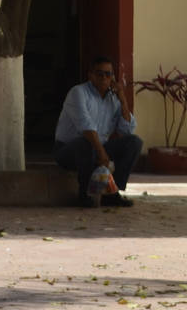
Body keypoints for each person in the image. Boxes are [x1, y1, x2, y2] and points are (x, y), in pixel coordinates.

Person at [54, 56, 142, 208]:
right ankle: (84, 195)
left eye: (108, 74)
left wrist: (123, 100)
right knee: (86, 143)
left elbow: (126, 130)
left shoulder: (114, 98)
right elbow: (86, 128)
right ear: (90, 75)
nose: (104, 78)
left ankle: (112, 193)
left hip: (98, 148)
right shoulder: (78, 92)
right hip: (69, 150)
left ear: (113, 77)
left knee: (134, 142)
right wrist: (102, 154)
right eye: (99, 74)